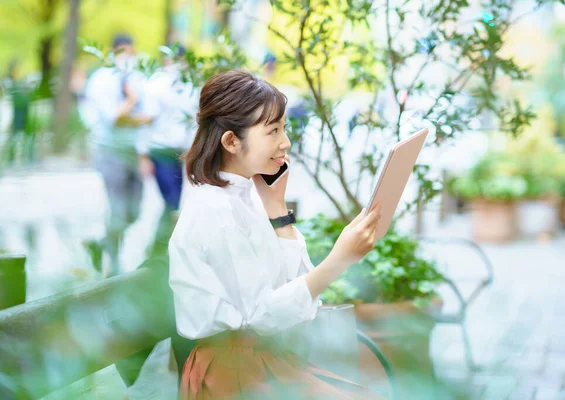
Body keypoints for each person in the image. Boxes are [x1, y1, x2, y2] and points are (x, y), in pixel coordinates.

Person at [169, 70, 384, 399]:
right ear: (231, 141)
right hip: (232, 373)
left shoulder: (244, 196)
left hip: (261, 359)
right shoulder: (216, 212)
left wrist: (277, 209)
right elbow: (264, 315)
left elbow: (287, 292)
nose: (285, 142)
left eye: (283, 128)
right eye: (273, 131)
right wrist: (340, 259)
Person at [81, 34, 155, 277]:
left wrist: (130, 116)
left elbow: (149, 116)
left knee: (135, 212)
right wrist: (131, 101)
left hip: (133, 153)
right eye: (123, 52)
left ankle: (101, 244)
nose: (128, 57)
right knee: (118, 209)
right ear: (113, 53)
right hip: (109, 152)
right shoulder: (101, 80)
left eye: (131, 52)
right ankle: (113, 263)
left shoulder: (137, 78)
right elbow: (113, 118)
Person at [137, 45, 198, 258]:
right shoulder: (155, 84)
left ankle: (159, 251)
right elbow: (147, 121)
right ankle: (159, 251)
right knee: (171, 202)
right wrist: (143, 155)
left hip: (178, 152)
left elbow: (193, 122)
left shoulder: (190, 86)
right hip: (159, 151)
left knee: (173, 203)